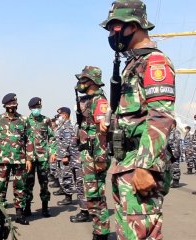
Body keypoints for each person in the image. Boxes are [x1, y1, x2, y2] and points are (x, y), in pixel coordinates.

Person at [101, 0, 176, 239]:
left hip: (140, 165)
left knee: (140, 232)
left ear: (133, 26)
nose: (112, 34)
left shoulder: (155, 63)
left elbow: (161, 117)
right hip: (127, 163)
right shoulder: (133, 63)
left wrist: (145, 167)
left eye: (114, 27)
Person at [72, 66, 110, 239]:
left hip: (95, 156)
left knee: (96, 195)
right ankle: (99, 230)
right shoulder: (88, 100)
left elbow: (102, 133)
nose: (80, 83)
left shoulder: (100, 102)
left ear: (92, 81)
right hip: (89, 155)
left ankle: (101, 233)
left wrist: (100, 158)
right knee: (92, 195)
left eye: (83, 80)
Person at [0, 93, 33, 225]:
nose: (12, 108)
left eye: (14, 105)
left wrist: (29, 158)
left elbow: (29, 140)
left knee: (20, 187)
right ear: (5, 106)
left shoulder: (24, 120)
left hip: (20, 159)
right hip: (2, 160)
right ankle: (0, 214)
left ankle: (19, 214)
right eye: (9, 106)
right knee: (0, 187)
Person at [24, 97, 55, 218]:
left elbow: (52, 137)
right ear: (30, 109)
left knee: (44, 184)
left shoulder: (46, 120)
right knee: (28, 184)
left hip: (43, 158)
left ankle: (45, 207)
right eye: (34, 108)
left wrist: (53, 152)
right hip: (29, 158)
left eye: (38, 107)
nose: (37, 109)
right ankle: (27, 207)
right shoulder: (25, 121)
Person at [51, 107, 78, 207]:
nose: (59, 117)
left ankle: (68, 197)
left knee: (67, 176)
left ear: (65, 115)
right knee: (63, 176)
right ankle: (66, 193)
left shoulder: (67, 127)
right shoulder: (62, 126)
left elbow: (67, 142)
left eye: (60, 115)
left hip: (66, 156)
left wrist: (66, 155)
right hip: (60, 155)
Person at [168, 121, 181, 188]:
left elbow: (177, 143)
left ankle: (176, 182)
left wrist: (175, 153)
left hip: (174, 152)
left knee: (175, 167)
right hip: (170, 153)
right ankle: (172, 180)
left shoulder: (176, 132)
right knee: (171, 167)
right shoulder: (170, 132)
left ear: (173, 124)